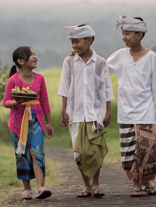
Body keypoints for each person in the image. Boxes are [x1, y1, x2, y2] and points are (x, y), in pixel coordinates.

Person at [107, 16, 156, 197]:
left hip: (146, 112)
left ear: (139, 35)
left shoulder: (151, 57)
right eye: (123, 33)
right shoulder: (119, 55)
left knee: (145, 152)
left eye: (128, 33)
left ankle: (138, 186)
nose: (124, 37)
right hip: (125, 112)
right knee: (130, 152)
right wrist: (84, 54)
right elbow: (101, 69)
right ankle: (146, 184)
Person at [58, 24, 114, 198]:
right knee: (79, 151)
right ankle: (87, 186)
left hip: (95, 114)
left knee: (94, 149)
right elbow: (64, 87)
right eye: (72, 42)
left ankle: (96, 183)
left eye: (77, 41)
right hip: (75, 113)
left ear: (89, 40)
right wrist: (63, 111)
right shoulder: (68, 62)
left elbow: (106, 87)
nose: (74, 45)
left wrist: (108, 111)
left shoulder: (100, 62)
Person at [3, 46, 54, 200]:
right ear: (20, 61)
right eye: (31, 55)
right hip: (18, 122)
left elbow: (44, 101)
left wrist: (49, 122)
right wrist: (17, 102)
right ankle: (27, 189)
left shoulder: (40, 78)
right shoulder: (13, 80)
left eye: (35, 54)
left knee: (37, 152)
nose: (35, 57)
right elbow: (6, 102)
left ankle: (40, 187)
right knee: (22, 154)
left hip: (36, 120)